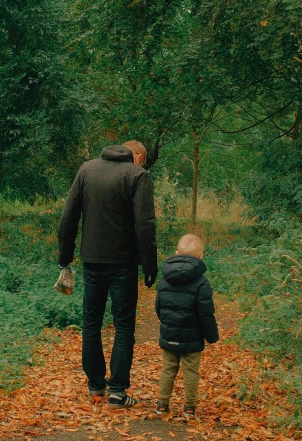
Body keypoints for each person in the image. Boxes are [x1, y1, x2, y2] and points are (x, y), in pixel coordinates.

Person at [58, 140, 157, 408]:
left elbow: (69, 215)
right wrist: (150, 264)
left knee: (92, 323)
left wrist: (65, 256)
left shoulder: (87, 170)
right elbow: (144, 223)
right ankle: (118, 392)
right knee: (124, 325)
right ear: (135, 156)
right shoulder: (138, 175)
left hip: (92, 260)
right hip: (124, 262)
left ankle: (95, 387)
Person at [155, 233, 219, 419]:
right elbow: (206, 313)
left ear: (176, 253)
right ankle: (189, 407)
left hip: (169, 333)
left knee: (168, 369)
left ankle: (162, 404)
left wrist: (167, 322)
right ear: (200, 257)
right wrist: (211, 336)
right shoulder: (201, 283)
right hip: (192, 337)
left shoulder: (165, 279)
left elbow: (159, 306)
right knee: (190, 371)